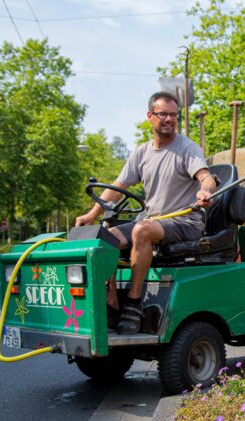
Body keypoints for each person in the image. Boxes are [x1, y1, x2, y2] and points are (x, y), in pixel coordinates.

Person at [75, 91, 218, 334]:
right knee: (103, 237)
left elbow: (206, 177)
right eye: (163, 114)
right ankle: (111, 300)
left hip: (185, 221)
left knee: (141, 229)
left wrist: (205, 191)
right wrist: (90, 215)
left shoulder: (187, 148)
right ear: (150, 116)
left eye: (174, 115)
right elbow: (118, 188)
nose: (169, 119)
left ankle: (134, 302)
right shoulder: (141, 153)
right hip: (154, 221)